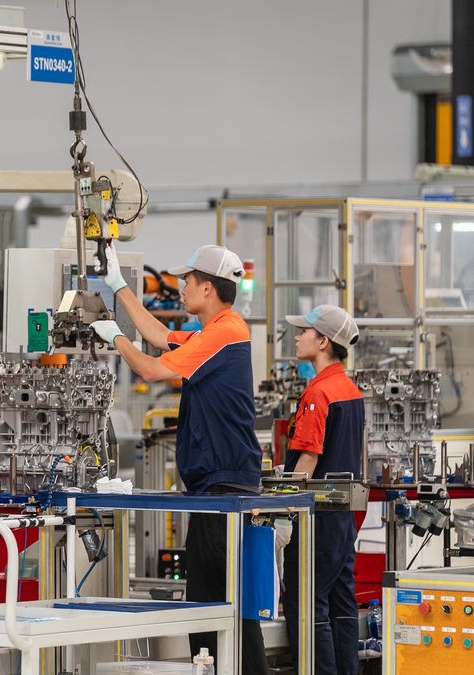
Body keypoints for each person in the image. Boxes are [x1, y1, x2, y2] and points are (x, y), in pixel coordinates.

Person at [91, 243, 266, 672]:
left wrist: (114, 337)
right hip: (212, 486)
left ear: (207, 288)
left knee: (224, 605)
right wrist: (118, 286)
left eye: (187, 281)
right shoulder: (213, 333)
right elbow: (157, 336)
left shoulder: (226, 332)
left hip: (226, 486)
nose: (181, 288)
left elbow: (152, 369)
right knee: (206, 602)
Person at [281, 305, 364, 675]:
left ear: (323, 341)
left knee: (307, 600)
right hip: (343, 513)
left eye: (304, 332)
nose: (297, 337)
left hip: (316, 516)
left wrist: (280, 506)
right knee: (342, 600)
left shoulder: (318, 394)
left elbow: (308, 462)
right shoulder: (350, 390)